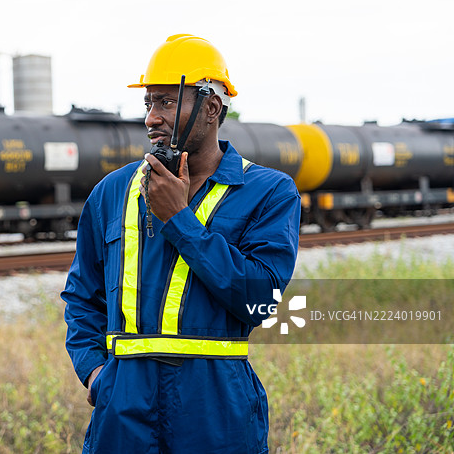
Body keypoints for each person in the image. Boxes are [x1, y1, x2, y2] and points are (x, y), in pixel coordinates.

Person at [61, 35, 301, 453]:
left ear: (211, 108)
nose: (152, 118)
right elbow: (83, 296)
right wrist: (96, 373)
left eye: (168, 103)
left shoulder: (269, 192)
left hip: (214, 404)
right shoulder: (111, 193)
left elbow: (260, 300)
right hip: (124, 403)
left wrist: (179, 220)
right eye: (149, 103)